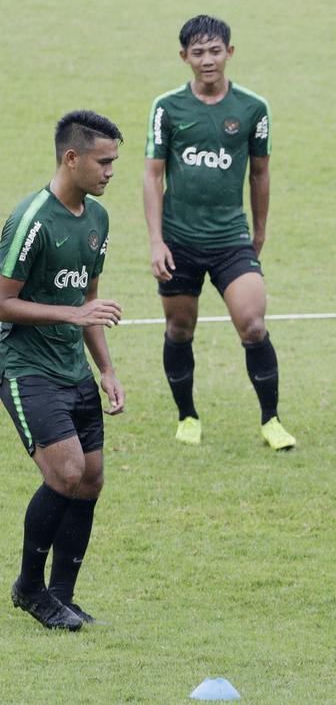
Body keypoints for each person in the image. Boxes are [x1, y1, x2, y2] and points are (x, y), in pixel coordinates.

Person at [144, 14, 294, 450]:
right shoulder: (167, 108)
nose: (207, 60)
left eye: (214, 51)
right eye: (198, 52)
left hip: (231, 239)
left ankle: (271, 420)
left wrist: (259, 232)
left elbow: (260, 173)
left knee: (253, 325)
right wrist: (156, 241)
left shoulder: (252, 108)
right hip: (179, 241)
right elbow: (153, 175)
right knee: (179, 329)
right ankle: (187, 416)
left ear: (229, 52)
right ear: (184, 57)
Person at [0, 111, 126, 630]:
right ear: (71, 158)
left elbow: (89, 303)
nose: (110, 171)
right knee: (66, 472)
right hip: (26, 366)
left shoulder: (98, 219)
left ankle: (62, 596)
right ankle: (29, 588)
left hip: (73, 367)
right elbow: (2, 302)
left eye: (114, 162)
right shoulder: (31, 220)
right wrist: (70, 315)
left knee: (91, 480)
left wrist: (107, 369)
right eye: (103, 161)